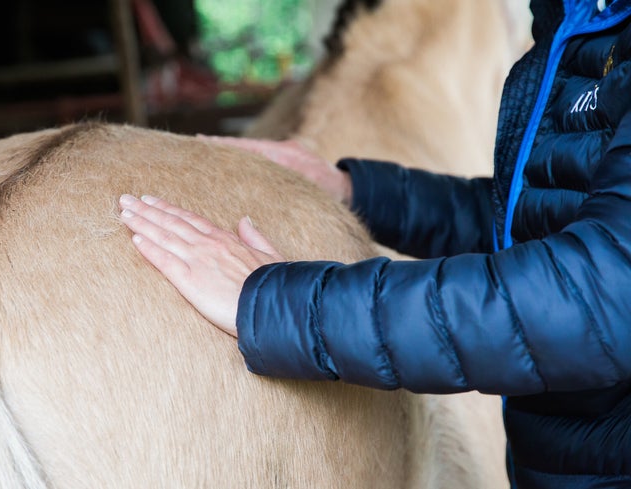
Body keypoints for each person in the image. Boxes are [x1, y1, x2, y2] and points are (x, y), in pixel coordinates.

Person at [119, 1, 631, 487]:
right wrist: (358, 190)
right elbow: (535, 224)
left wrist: (285, 306)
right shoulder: (587, 19)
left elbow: (594, 298)